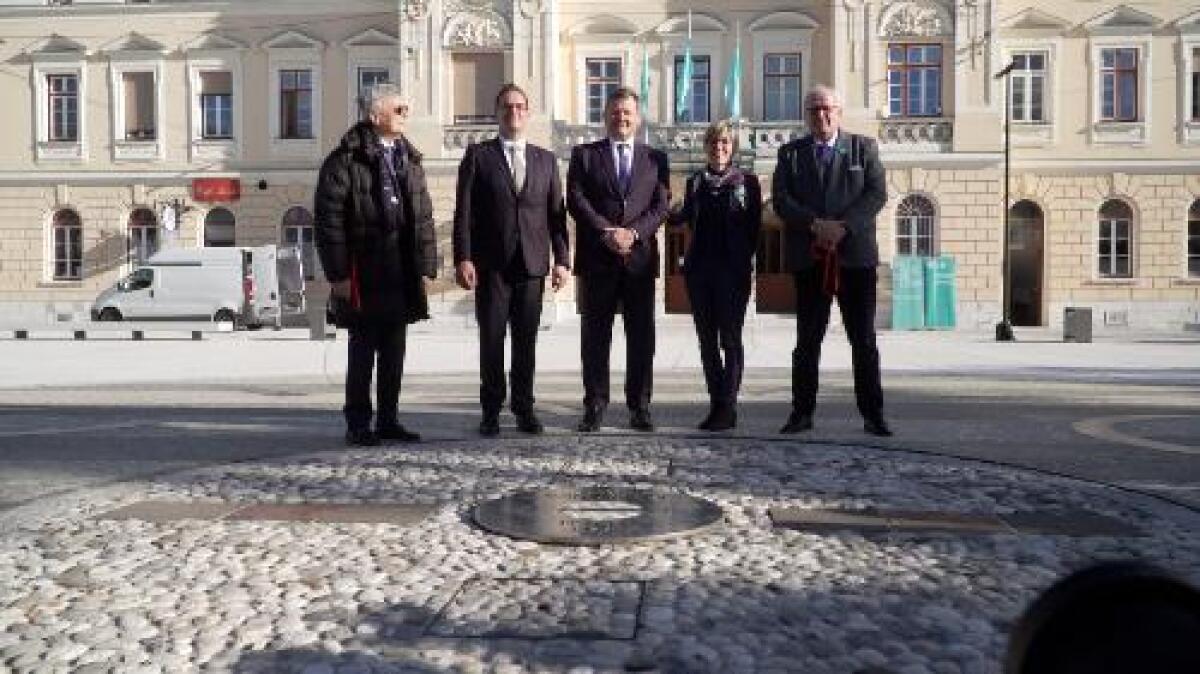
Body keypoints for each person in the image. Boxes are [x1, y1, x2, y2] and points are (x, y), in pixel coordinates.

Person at [314, 82, 437, 447]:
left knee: (395, 349)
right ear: (375, 115)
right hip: (363, 268)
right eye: (398, 110)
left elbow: (424, 215)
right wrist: (337, 275)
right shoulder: (345, 161)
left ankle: (388, 419)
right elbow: (329, 221)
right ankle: (358, 422)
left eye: (405, 110)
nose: (405, 116)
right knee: (363, 348)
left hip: (400, 266)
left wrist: (426, 264)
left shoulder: (409, 158)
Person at [772, 85, 892, 437]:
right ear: (806, 116)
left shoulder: (863, 148)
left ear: (839, 112)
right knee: (807, 341)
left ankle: (873, 415)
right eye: (812, 110)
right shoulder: (790, 154)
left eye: (826, 108)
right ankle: (801, 413)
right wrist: (815, 225)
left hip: (855, 259)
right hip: (811, 261)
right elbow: (781, 199)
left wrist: (844, 227)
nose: (820, 115)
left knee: (864, 340)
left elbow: (876, 194)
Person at [452, 83, 570, 437]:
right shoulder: (478, 156)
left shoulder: (545, 160)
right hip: (491, 265)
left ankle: (523, 409)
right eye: (506, 107)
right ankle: (490, 411)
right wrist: (463, 257)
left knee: (526, 341)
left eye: (519, 106)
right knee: (491, 339)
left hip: (532, 265)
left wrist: (562, 260)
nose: (513, 112)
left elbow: (556, 216)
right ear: (497, 113)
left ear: (528, 113)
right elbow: (464, 212)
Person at [566, 87, 670, 432]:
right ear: (605, 117)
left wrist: (634, 233)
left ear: (637, 119)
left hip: (639, 261)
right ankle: (594, 404)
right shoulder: (584, 155)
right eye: (614, 112)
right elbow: (576, 200)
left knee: (642, 337)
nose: (621, 118)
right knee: (595, 337)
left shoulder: (656, 159)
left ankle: (640, 406)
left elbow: (661, 206)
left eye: (627, 113)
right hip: (598, 259)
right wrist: (607, 231)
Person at [669, 120, 761, 431]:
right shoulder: (695, 183)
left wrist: (741, 261)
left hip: (733, 275)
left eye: (724, 143)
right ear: (706, 146)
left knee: (730, 339)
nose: (718, 148)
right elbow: (682, 218)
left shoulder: (747, 182)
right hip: (700, 273)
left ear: (732, 147)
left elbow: (754, 228)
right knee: (706, 341)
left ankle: (729, 406)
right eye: (713, 142)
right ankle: (716, 403)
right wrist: (664, 205)